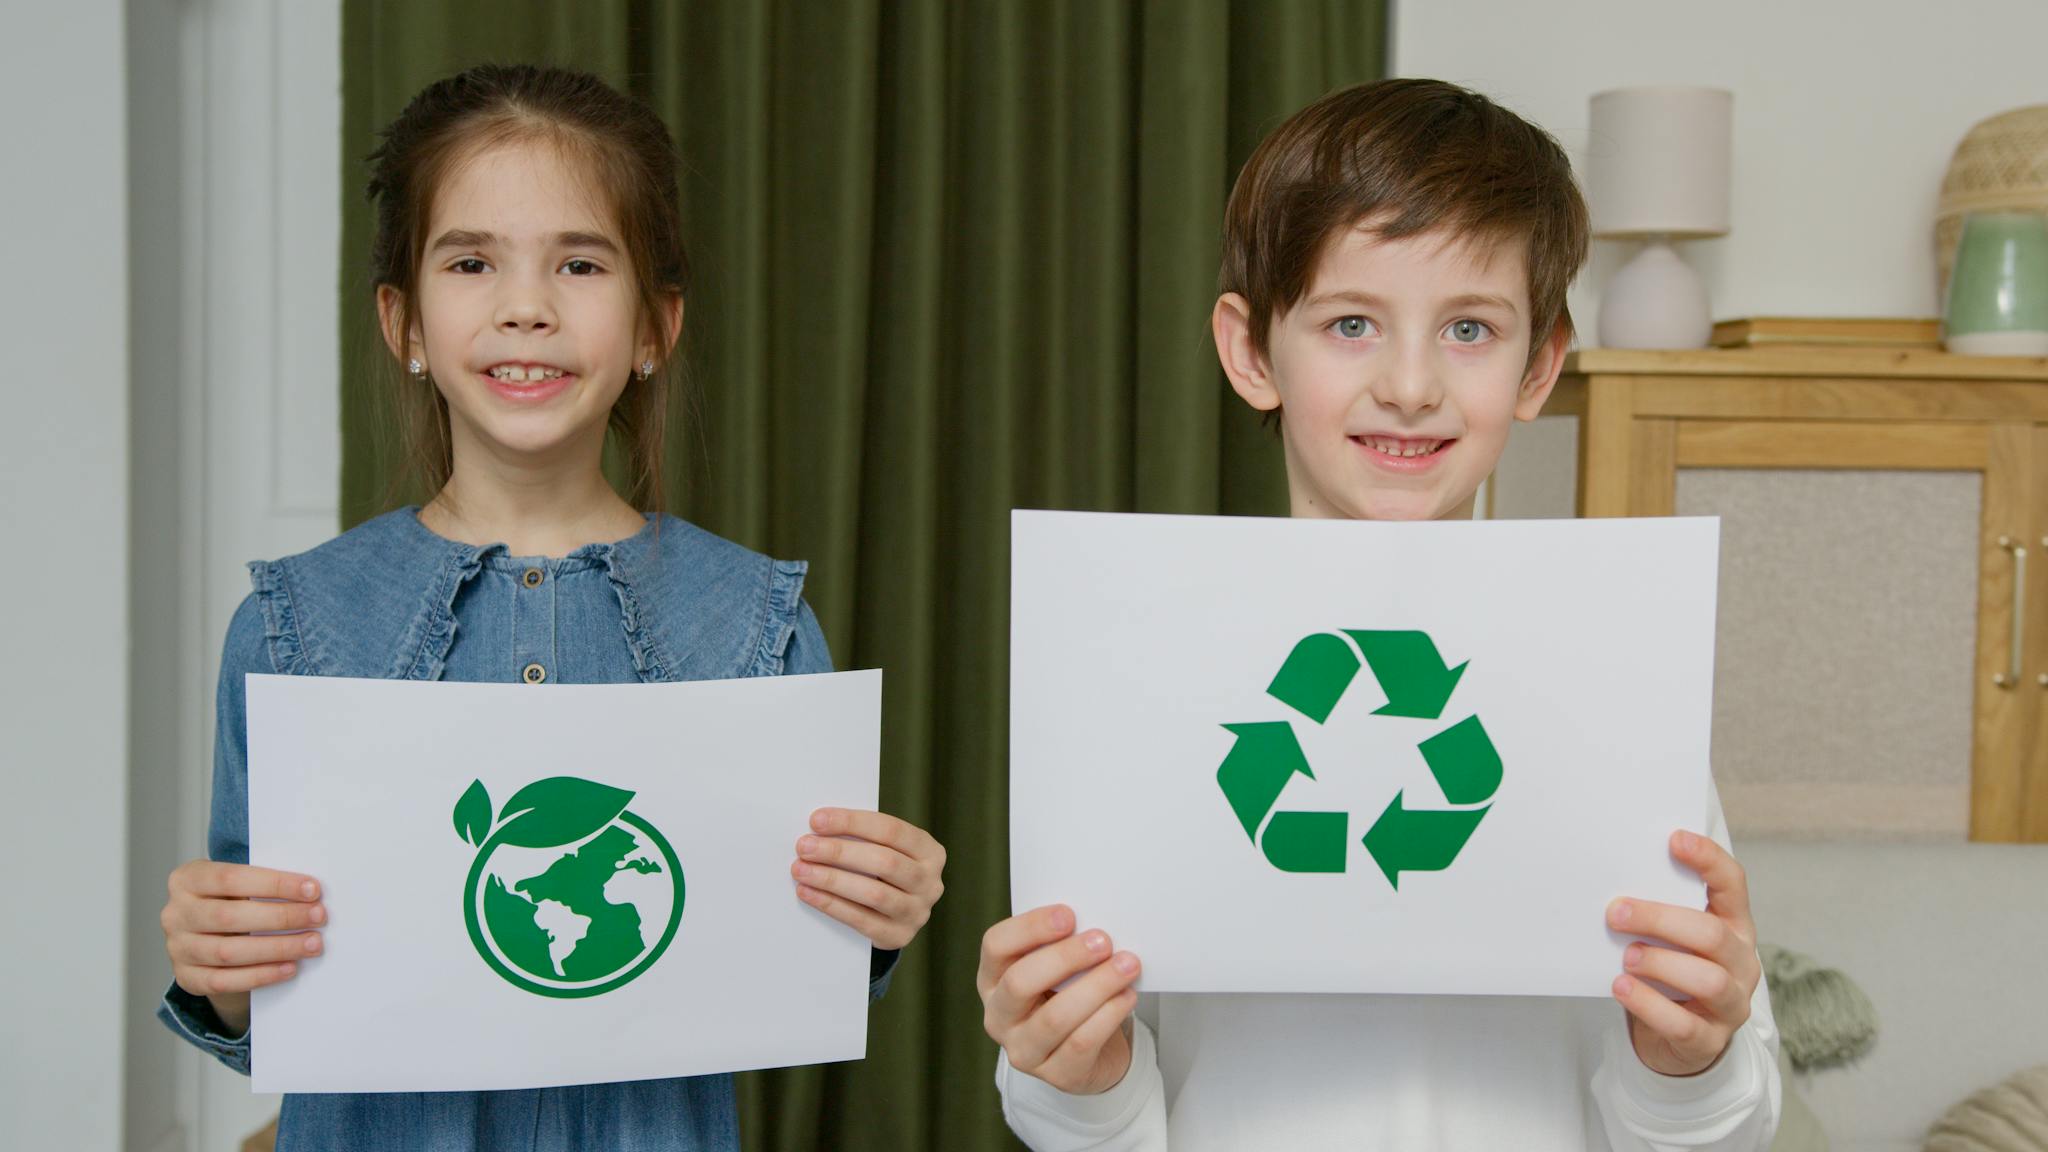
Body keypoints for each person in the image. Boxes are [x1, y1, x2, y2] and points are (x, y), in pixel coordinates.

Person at [155, 63, 946, 1151]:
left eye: (579, 262)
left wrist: (873, 918)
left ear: (654, 326)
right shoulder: (292, 626)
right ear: (406, 324)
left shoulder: (757, 629)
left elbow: (782, 965)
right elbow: (259, 999)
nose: (525, 306)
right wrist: (221, 972)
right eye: (471, 261)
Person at [978, 78, 1780, 1151]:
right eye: (1351, 323)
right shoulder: (1142, 678)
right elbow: (1082, 1119)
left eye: (1467, 329)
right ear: (1251, 351)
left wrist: (1690, 1061)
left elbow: (1723, 1128)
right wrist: (1079, 1078)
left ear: (1538, 364)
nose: (1409, 384)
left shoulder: (1614, 697)